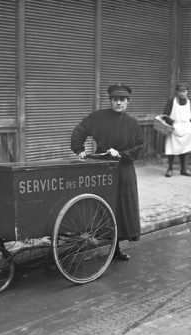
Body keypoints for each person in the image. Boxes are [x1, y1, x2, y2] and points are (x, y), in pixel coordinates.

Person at [70, 83, 144, 261]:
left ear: (128, 102)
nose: (119, 103)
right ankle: (95, 239)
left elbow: (140, 146)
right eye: (115, 99)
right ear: (110, 100)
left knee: (120, 209)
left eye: (123, 100)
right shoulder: (98, 117)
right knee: (102, 206)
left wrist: (121, 153)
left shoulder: (132, 123)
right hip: (102, 170)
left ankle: (116, 249)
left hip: (124, 171)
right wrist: (78, 149)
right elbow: (80, 130)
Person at [162, 83, 191, 177]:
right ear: (177, 92)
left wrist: (190, 124)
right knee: (171, 149)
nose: (182, 93)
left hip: (186, 129)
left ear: (187, 92)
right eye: (180, 91)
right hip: (174, 128)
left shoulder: (189, 102)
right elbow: (165, 115)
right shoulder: (172, 102)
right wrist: (172, 124)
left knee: (184, 149)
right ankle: (170, 169)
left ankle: (183, 169)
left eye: (184, 91)